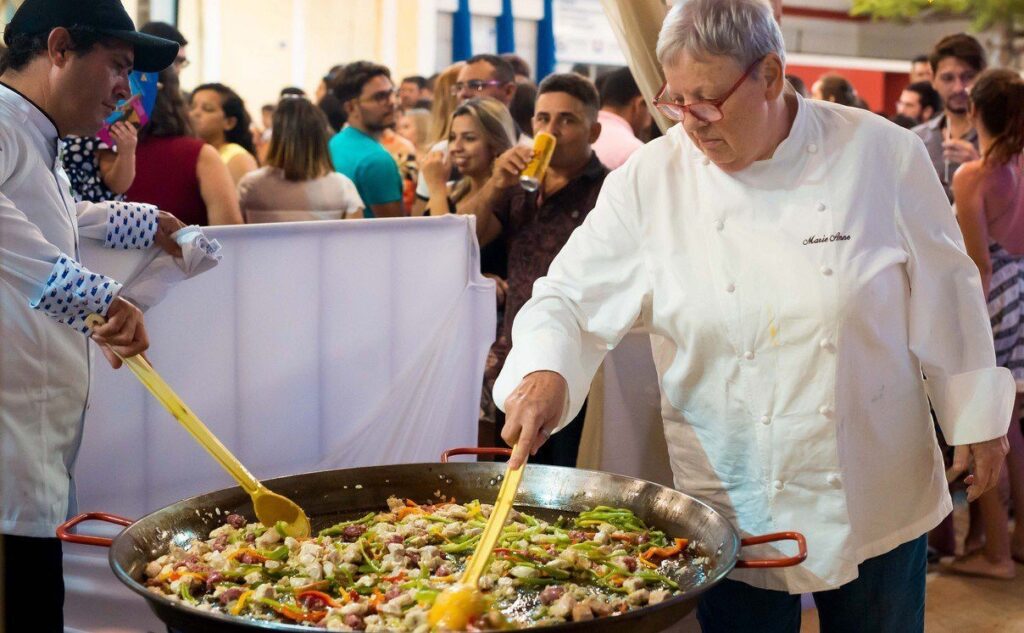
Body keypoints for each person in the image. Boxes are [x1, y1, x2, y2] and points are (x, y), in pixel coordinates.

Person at [491, 1, 1012, 631]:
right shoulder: (650, 180)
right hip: (731, 489)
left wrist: (974, 416)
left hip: (871, 477)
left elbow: (946, 287)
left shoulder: (882, 153)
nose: (691, 124)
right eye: (675, 101)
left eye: (707, 100)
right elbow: (567, 297)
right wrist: (545, 370)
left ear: (770, 75)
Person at [0, 2, 185, 630]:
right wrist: (98, 298)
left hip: (32, 448)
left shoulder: (34, 134)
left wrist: (141, 221)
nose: (124, 92)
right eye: (118, 67)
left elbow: (50, 222)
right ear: (58, 48)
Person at [461, 73, 608, 467]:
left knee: (559, 474)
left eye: (567, 120)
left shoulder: (608, 190)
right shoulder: (519, 184)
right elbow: (464, 240)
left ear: (593, 131)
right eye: (543, 119)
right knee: (503, 466)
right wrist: (495, 182)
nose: (551, 130)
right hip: (513, 349)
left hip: (575, 361)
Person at [944, 68, 1024, 580]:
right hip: (1021, 296)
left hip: (992, 300)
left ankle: (995, 555)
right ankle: (1015, 543)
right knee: (1012, 422)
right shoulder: (1016, 167)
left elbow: (979, 266)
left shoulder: (972, 175)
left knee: (985, 423)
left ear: (973, 112)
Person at [126, 68, 243, 226]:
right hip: (182, 250)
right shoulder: (200, 155)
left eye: (207, 109)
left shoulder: (101, 150)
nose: (195, 113)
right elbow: (230, 233)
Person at [412, 54, 523, 216]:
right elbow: (416, 230)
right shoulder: (445, 171)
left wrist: (436, 190)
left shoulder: (507, 193)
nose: (463, 94)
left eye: (476, 85)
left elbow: (448, 239)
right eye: (452, 137)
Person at [239, 95, 363, 223]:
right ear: (320, 137)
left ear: (276, 137)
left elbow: (231, 237)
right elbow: (354, 240)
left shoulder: (250, 186)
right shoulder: (342, 187)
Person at [913, 33, 987, 201]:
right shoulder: (916, 139)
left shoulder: (1006, 140)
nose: (958, 88)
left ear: (983, 77)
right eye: (948, 78)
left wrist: (980, 170)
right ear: (933, 79)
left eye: (968, 77)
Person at [328, 61, 404, 218]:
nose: (392, 102)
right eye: (380, 97)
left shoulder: (334, 143)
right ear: (351, 107)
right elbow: (396, 231)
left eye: (392, 93)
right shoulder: (376, 160)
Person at [189, 82, 259, 185]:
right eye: (192, 107)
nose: (195, 113)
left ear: (229, 122)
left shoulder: (237, 158)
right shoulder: (194, 150)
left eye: (208, 109)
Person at [61, 120, 137, 202]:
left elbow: (118, 186)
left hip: (89, 205)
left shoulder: (101, 134)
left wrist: (126, 153)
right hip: (57, 194)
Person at [593, 66, 652, 170]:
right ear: (639, 104)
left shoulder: (582, 135)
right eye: (651, 108)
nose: (650, 120)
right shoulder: (634, 152)